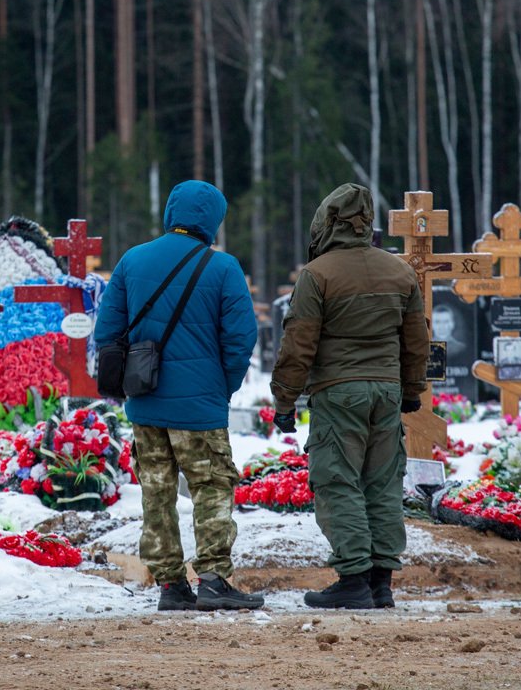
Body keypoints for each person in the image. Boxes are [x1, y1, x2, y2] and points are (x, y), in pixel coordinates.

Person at [95, 180, 262, 613]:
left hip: (146, 403)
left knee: (156, 492)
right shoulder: (223, 268)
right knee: (211, 488)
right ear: (213, 220)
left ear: (171, 212)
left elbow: (107, 333)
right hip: (201, 408)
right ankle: (212, 579)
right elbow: (241, 338)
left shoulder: (132, 261)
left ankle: (171, 587)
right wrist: (221, 385)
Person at [270, 183, 428, 610]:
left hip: (339, 392)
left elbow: (297, 344)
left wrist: (284, 402)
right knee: (382, 483)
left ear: (327, 222)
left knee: (337, 480)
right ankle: (381, 582)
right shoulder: (400, 272)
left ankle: (353, 577)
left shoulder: (318, 274)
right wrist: (411, 390)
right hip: (387, 391)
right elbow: (417, 341)